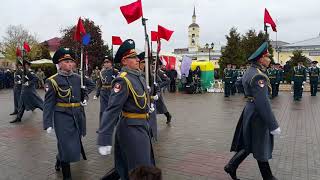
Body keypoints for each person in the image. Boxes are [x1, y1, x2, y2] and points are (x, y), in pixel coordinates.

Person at [97, 39, 156, 180]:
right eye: (133, 57)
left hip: (142, 126)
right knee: (141, 170)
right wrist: (104, 138)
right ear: (124, 61)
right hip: (131, 129)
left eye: (137, 57)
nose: (137, 60)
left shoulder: (139, 77)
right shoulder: (123, 80)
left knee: (127, 168)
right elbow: (111, 110)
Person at [224, 42, 280, 180]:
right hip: (257, 115)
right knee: (259, 144)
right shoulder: (258, 76)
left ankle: (231, 166)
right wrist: (274, 125)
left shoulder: (250, 71)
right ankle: (268, 177)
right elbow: (263, 103)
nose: (269, 60)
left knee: (250, 144)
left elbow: (238, 84)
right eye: (267, 57)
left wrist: (249, 95)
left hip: (250, 110)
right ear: (260, 59)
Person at [43, 47, 95, 180]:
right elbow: (48, 103)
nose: (69, 64)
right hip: (62, 117)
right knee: (66, 145)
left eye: (71, 61)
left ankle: (59, 158)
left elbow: (92, 85)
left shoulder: (79, 78)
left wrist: (85, 97)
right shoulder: (52, 81)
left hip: (77, 115)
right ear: (59, 64)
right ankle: (67, 176)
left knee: (74, 142)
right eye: (66, 62)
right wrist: (47, 123)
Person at [94, 56, 119, 124]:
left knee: (113, 108)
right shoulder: (101, 72)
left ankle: (115, 124)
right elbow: (99, 84)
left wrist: (117, 93)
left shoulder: (115, 72)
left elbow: (118, 84)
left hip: (112, 92)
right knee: (103, 110)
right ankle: (102, 125)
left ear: (111, 63)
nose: (106, 64)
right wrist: (97, 94)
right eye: (105, 62)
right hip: (104, 92)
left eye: (108, 62)